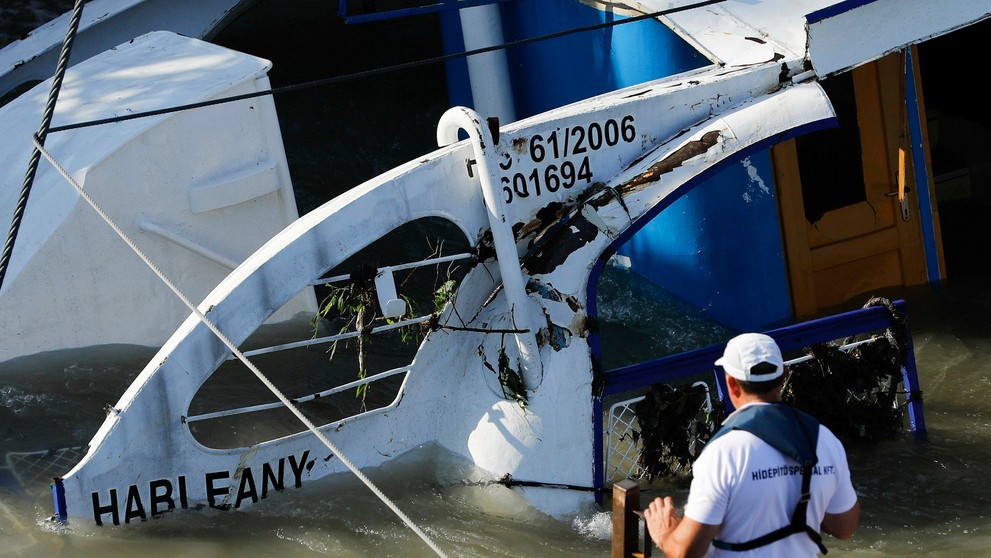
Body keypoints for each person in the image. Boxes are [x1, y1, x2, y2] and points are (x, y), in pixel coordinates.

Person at [643, 333, 861, 557]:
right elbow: (844, 527)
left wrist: (665, 533)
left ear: (731, 383)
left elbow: (685, 551)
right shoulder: (822, 438)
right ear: (784, 376)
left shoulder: (723, 452)